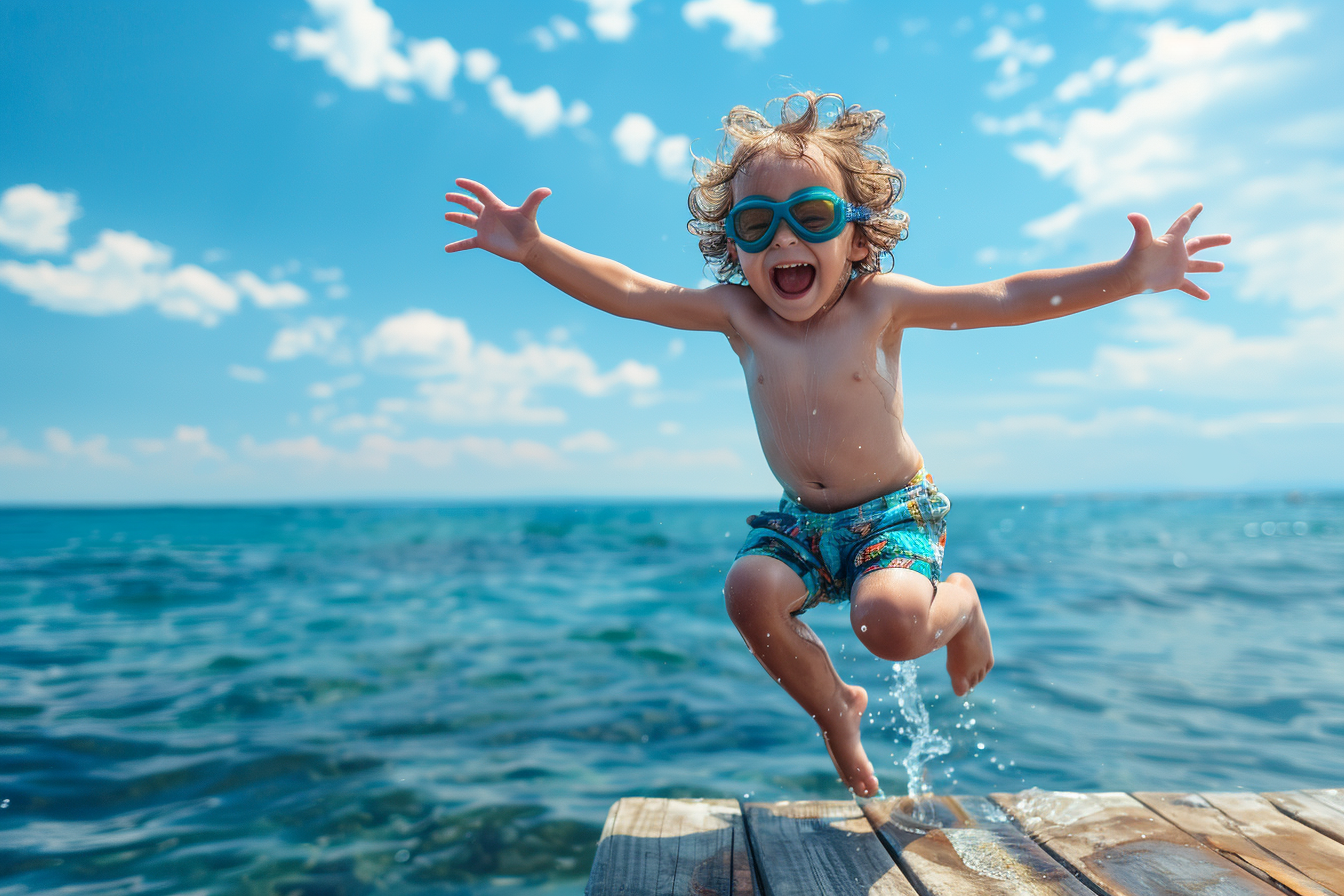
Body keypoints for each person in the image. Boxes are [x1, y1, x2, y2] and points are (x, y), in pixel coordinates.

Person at [443, 92, 1230, 797]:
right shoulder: (736, 315)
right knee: (748, 593)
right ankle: (835, 711)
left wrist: (1128, 275)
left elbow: (1003, 296)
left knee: (888, 628)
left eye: (812, 217)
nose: (785, 238)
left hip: (893, 516)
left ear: (856, 238)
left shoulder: (877, 305)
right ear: (735, 248)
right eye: (757, 226)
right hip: (801, 521)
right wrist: (536, 251)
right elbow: (633, 291)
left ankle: (960, 607)